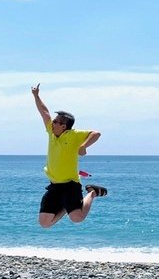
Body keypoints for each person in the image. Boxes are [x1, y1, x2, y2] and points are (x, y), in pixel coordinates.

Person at [32, 84, 106, 227]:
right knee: (45, 223)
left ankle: (93, 192)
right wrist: (36, 96)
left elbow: (96, 133)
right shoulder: (52, 132)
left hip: (70, 186)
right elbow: (44, 112)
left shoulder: (73, 135)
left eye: (55, 121)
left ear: (63, 126)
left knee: (77, 218)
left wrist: (84, 146)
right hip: (54, 186)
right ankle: (67, 206)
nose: (52, 123)